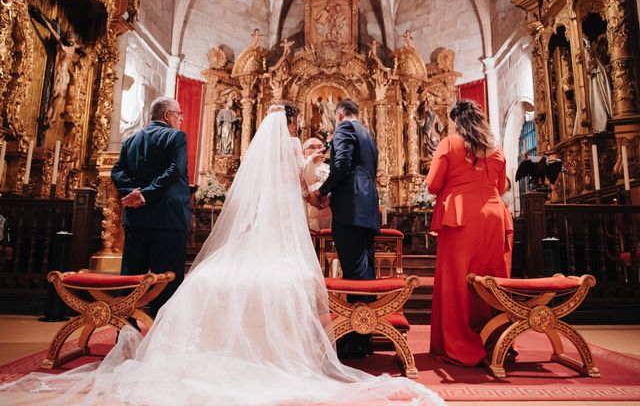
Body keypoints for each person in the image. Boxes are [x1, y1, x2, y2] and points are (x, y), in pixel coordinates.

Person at [1, 102, 445, 406]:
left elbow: (126, 172)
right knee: (340, 273)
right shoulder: (309, 144)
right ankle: (354, 336)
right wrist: (317, 195)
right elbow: (304, 184)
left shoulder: (265, 150)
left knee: (146, 275)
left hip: (168, 219)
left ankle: (135, 330)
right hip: (322, 215)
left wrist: (132, 193)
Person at [426, 100, 512, 366]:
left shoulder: (450, 144)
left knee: (458, 281)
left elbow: (432, 184)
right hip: (494, 215)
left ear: (457, 123)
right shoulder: (496, 150)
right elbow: (501, 185)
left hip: (460, 217)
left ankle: (459, 342)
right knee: (492, 277)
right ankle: (497, 339)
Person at [111, 96, 190, 318]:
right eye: (178, 115)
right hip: (168, 219)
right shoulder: (176, 137)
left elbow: (117, 171)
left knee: (130, 279)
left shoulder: (130, 140)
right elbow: (175, 169)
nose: (180, 120)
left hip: (137, 220)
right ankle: (160, 334)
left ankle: (124, 331)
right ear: (167, 115)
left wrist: (133, 192)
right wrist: (145, 194)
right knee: (166, 281)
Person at [314, 99, 381, 359]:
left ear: (340, 115)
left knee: (354, 275)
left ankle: (355, 340)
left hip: (351, 207)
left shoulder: (344, 129)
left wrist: (322, 190)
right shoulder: (368, 134)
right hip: (367, 205)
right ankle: (364, 338)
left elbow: (341, 165)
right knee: (365, 273)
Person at [301, 137, 331, 230]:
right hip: (306, 212)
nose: (317, 150)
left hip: (327, 212)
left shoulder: (330, 169)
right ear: (303, 152)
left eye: (319, 147)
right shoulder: (301, 167)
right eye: (312, 147)